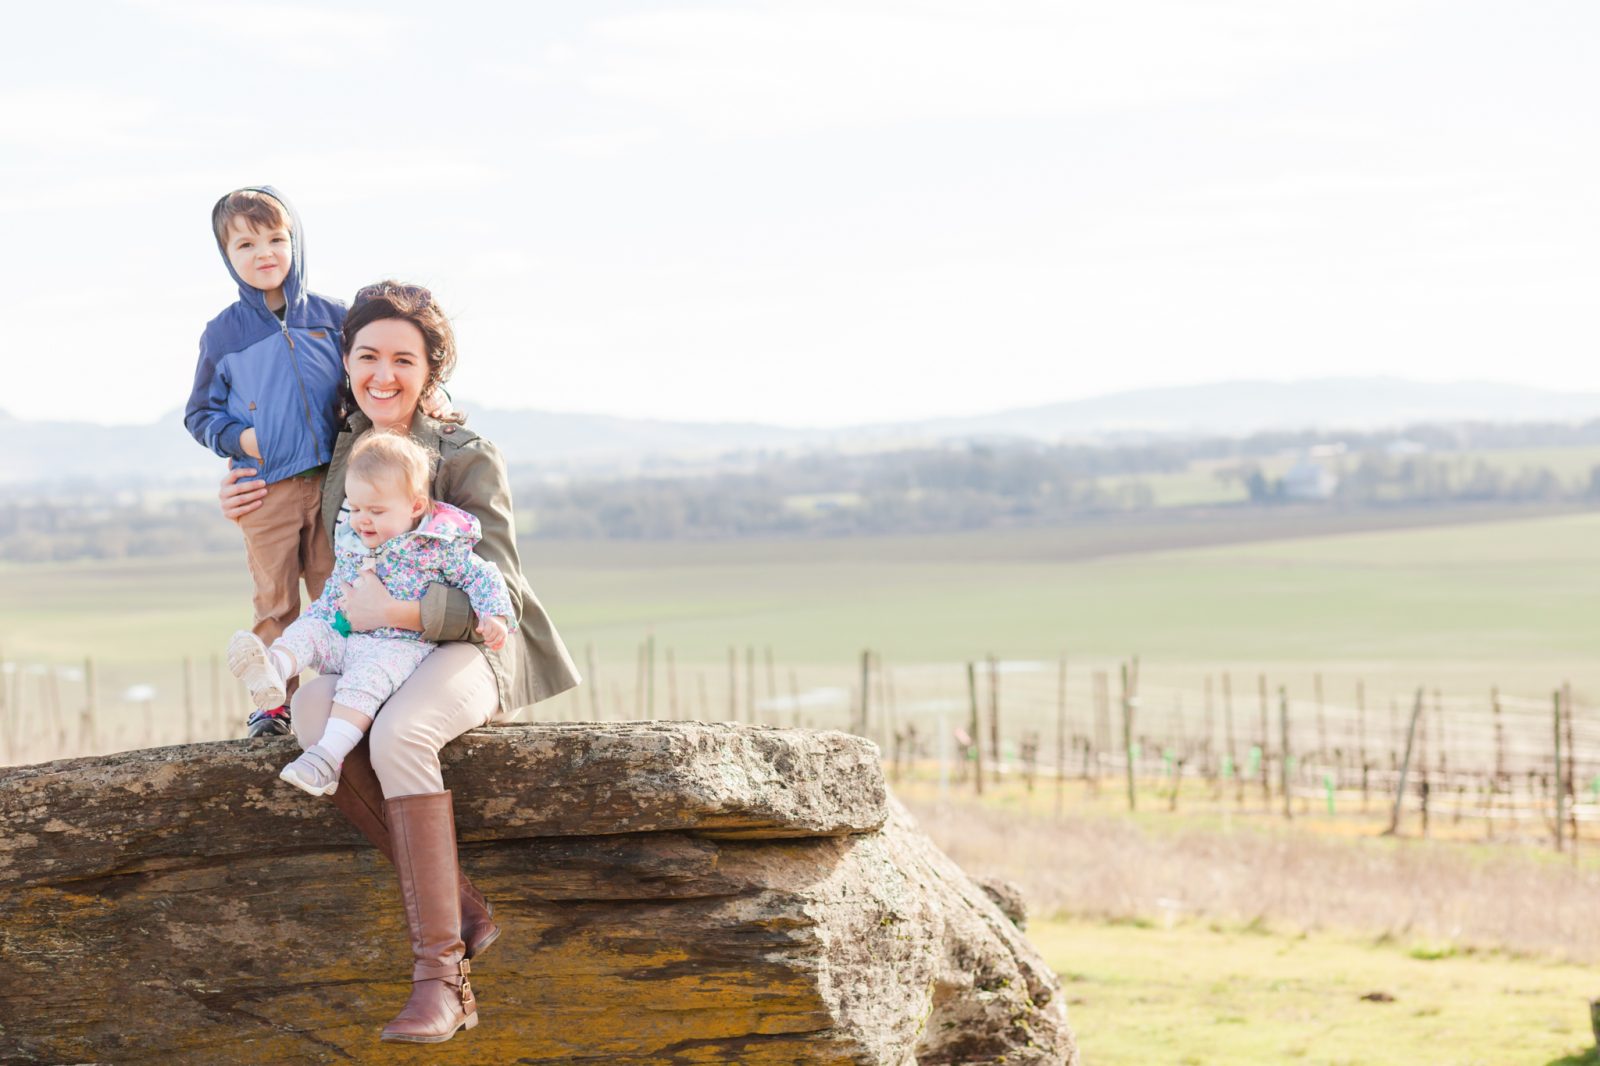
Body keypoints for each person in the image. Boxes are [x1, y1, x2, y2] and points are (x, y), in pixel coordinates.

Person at [220, 280, 581, 1044]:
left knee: (398, 738)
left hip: (464, 644)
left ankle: (443, 980)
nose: (383, 374)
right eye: (367, 356)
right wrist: (241, 491)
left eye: (404, 360)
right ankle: (465, 909)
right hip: (371, 649)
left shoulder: (467, 454)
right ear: (345, 362)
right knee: (313, 716)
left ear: (431, 372)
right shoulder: (337, 447)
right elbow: (282, 500)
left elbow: (501, 596)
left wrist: (404, 614)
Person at [227, 431, 514, 798]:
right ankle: (274, 668)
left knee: (364, 681)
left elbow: (483, 575)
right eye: (357, 508)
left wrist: (495, 616)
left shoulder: (436, 546)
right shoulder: (356, 543)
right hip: (351, 635)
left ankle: (327, 758)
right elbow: (334, 593)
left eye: (376, 512)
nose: (363, 521)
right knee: (312, 628)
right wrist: (321, 624)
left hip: (399, 646)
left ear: (415, 507)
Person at [184, 186, 345, 738]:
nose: (264, 253)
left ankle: (341, 696)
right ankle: (275, 706)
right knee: (275, 599)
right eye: (246, 243)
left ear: (295, 242)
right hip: (264, 489)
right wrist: (242, 438)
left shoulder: (332, 318)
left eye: (277, 238)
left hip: (331, 486)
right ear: (227, 257)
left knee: (335, 594)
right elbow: (199, 413)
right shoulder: (222, 333)